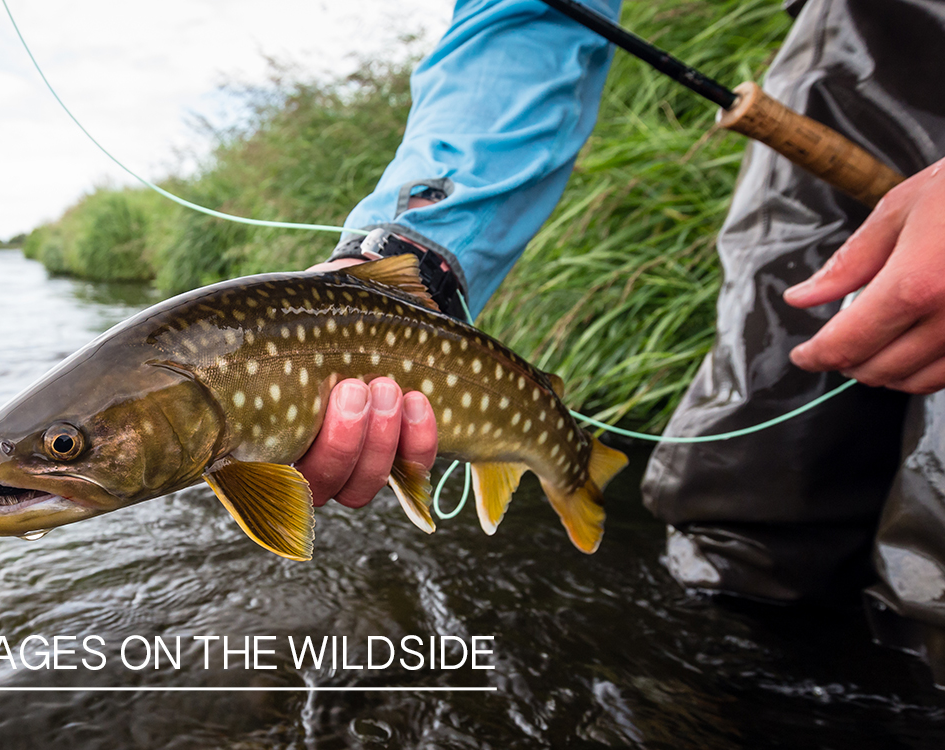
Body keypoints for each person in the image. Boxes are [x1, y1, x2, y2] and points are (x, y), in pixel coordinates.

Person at [296, 0, 945, 686]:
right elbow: (524, 17)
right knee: (743, 512)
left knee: (931, 569)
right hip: (855, 41)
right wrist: (413, 258)